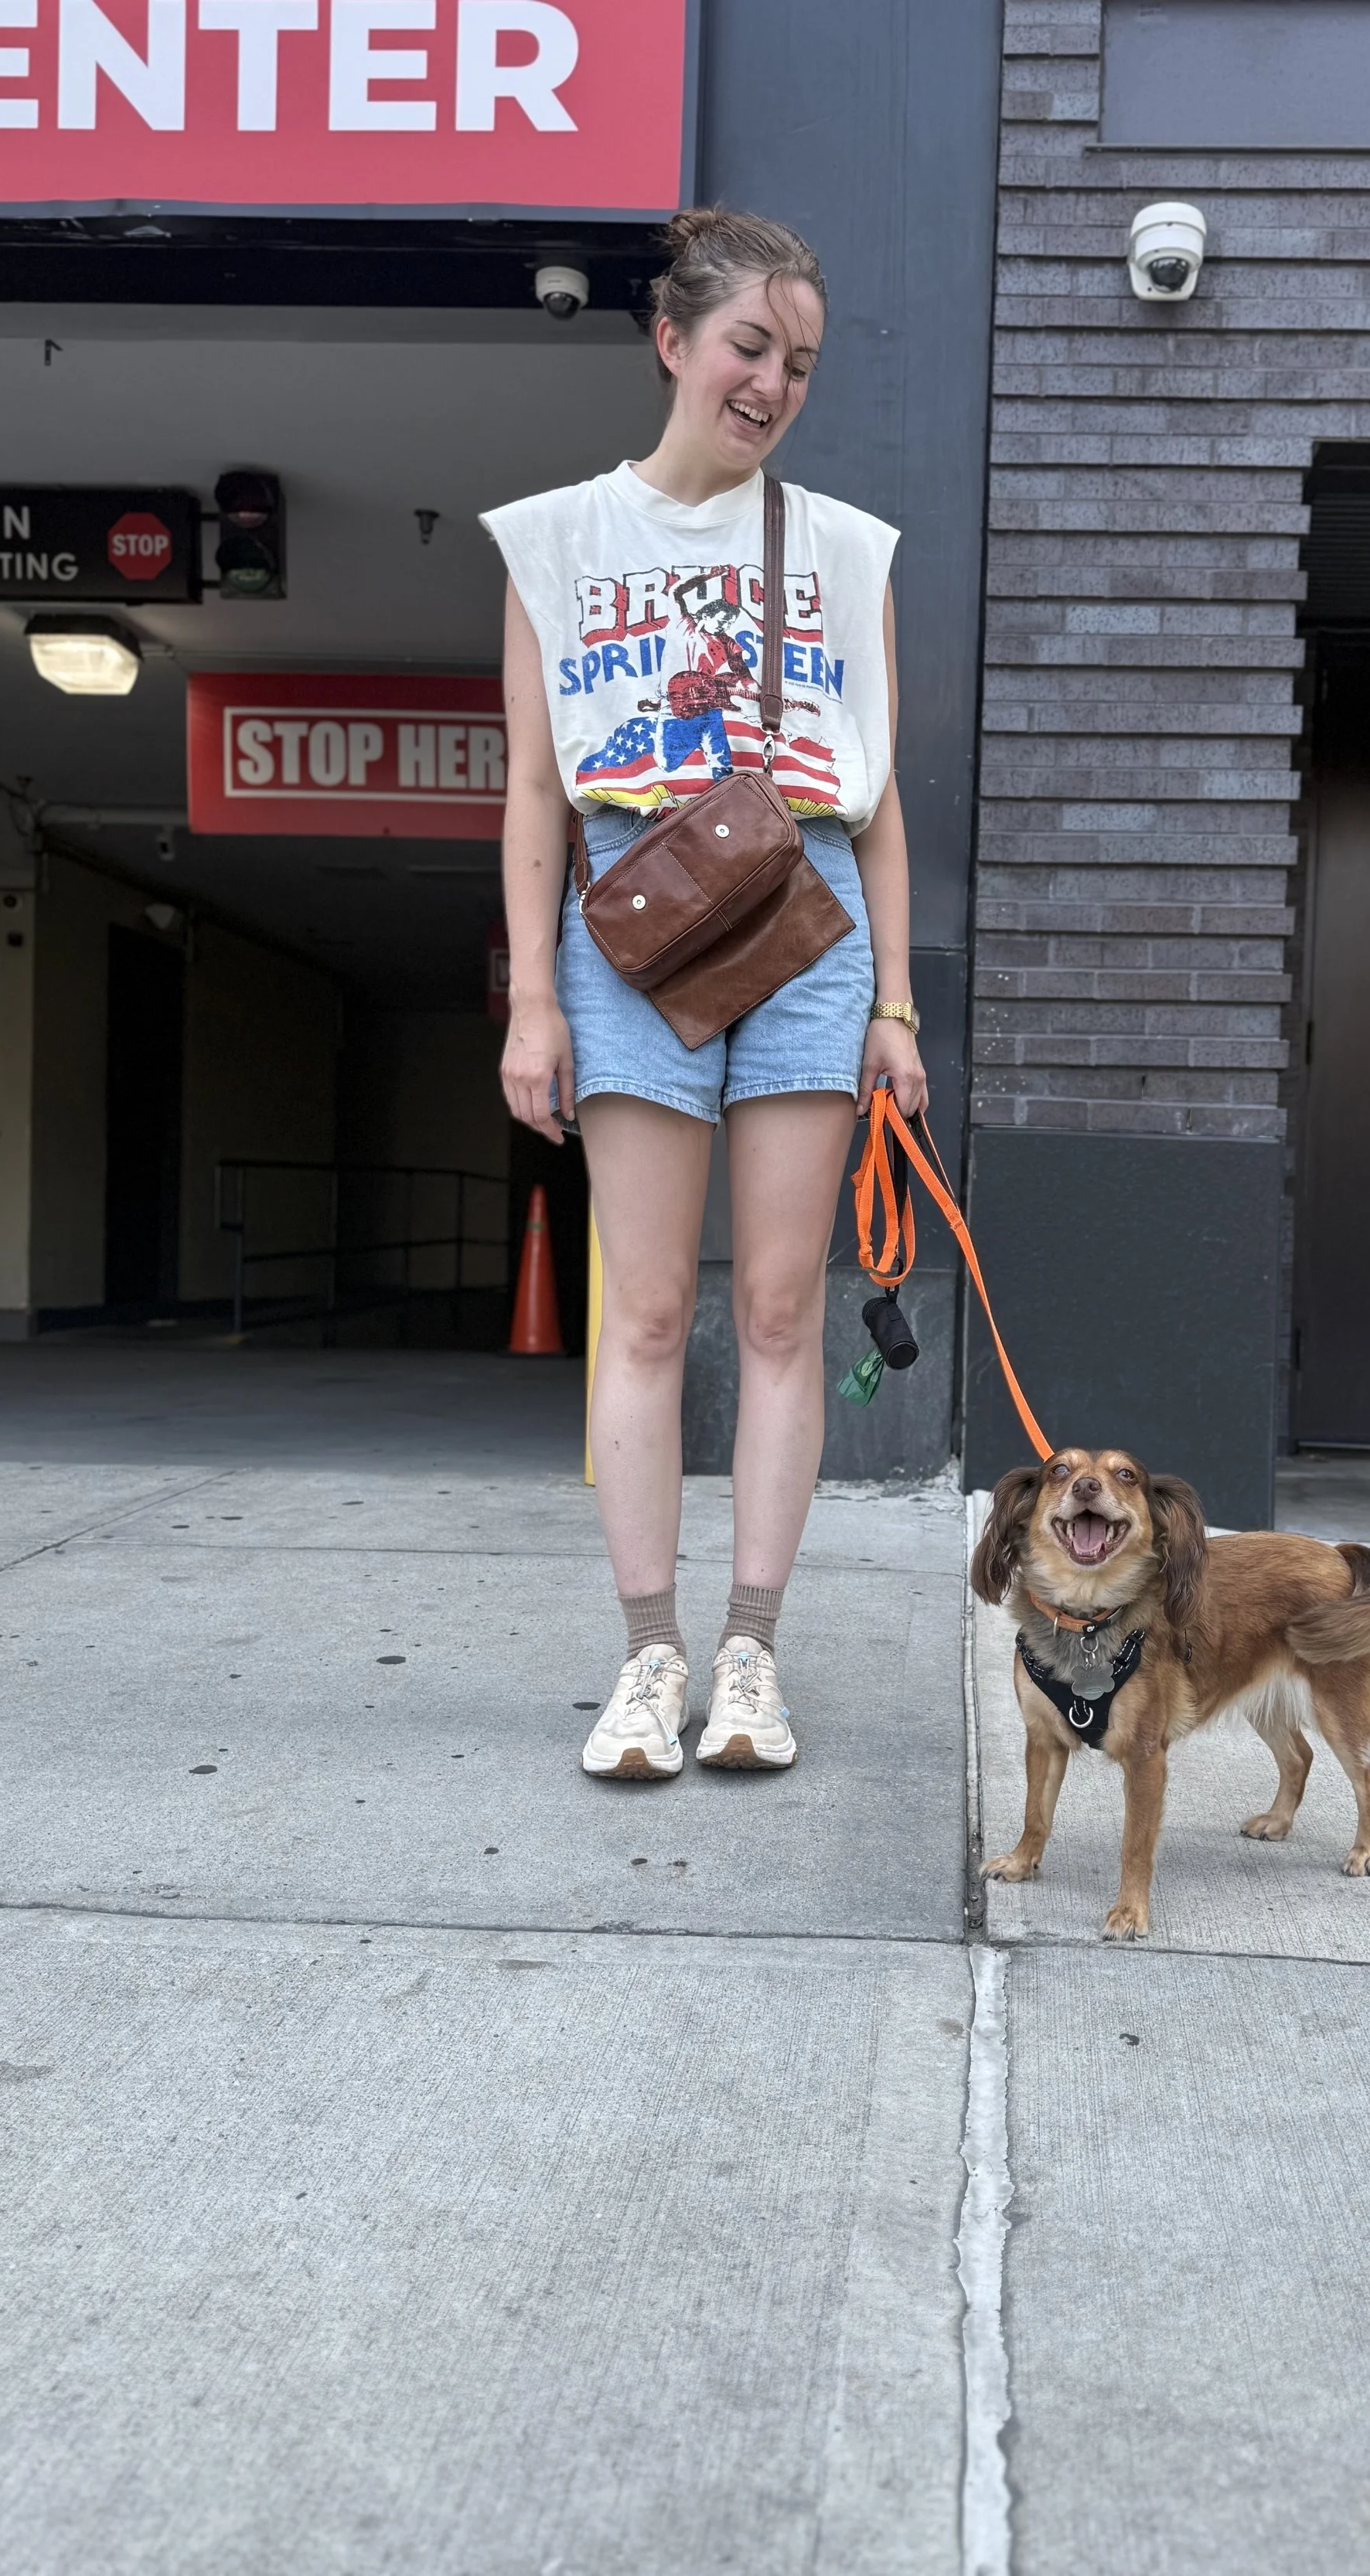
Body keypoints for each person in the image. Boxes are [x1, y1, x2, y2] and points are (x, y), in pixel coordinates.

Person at [485, 206, 928, 1783]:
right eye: (749, 346)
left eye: (798, 362)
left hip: (803, 935)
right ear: (670, 340)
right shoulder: (556, 540)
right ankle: (644, 1656)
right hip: (629, 930)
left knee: (785, 1305)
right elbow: (534, 791)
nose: (772, 383)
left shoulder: (845, 548)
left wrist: (897, 1008)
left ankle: (750, 1655)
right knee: (651, 1305)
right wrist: (531, 1000)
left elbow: (875, 799)